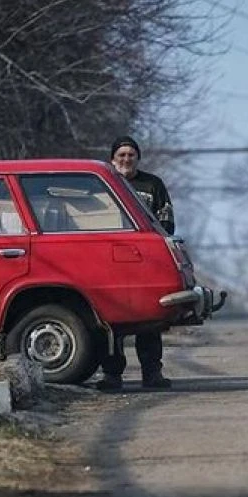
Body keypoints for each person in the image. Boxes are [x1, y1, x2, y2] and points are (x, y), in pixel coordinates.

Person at [98, 135, 175, 390]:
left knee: (148, 320)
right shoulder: (101, 184)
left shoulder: (153, 185)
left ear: (138, 158)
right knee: (110, 322)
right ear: (112, 159)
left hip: (144, 264)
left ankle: (152, 373)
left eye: (131, 155)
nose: (126, 159)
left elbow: (167, 223)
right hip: (108, 264)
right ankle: (111, 375)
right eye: (121, 155)